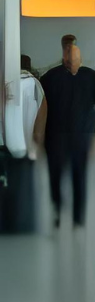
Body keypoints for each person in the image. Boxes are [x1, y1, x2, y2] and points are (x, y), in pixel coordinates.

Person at [40, 42, 95, 229]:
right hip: (60, 136)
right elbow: (42, 110)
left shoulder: (89, 76)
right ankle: (63, 214)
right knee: (61, 177)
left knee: (75, 176)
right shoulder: (50, 77)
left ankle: (73, 216)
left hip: (73, 137)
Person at [0, 56, 47, 234]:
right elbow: (39, 129)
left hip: (3, 148)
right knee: (23, 194)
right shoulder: (35, 85)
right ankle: (21, 227)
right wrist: (38, 147)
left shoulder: (4, 84)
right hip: (26, 149)